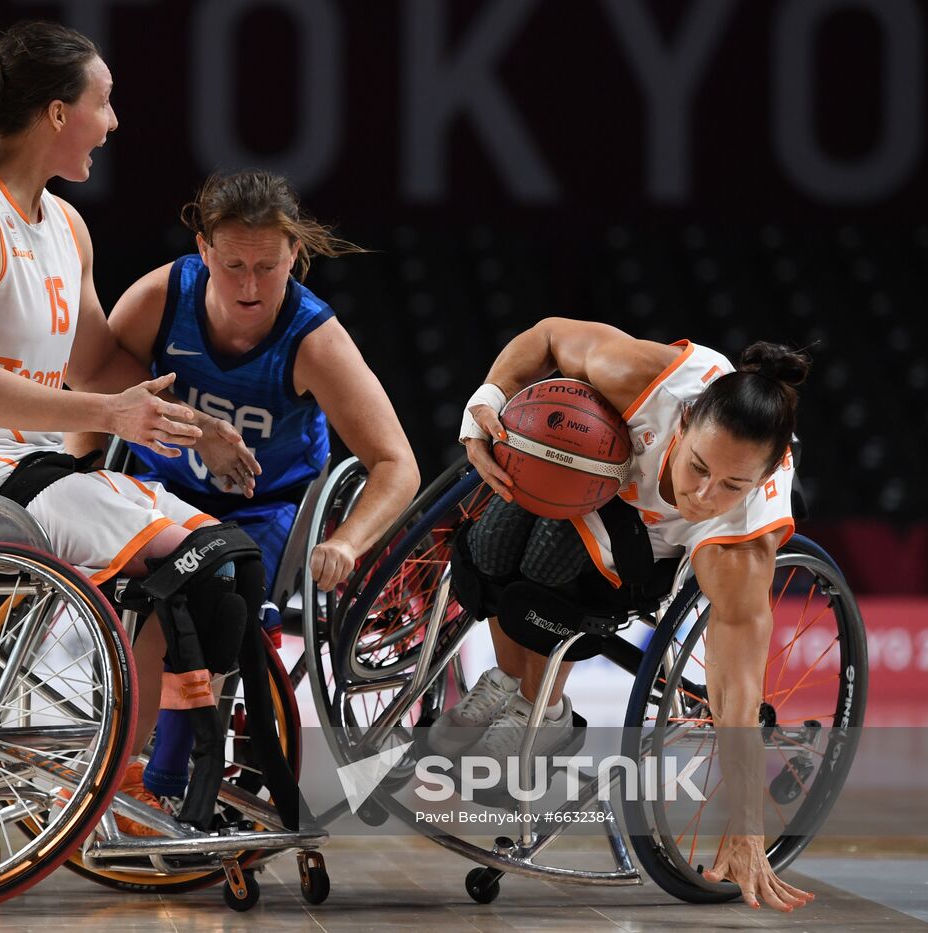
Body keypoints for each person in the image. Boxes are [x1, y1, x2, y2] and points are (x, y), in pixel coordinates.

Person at [0, 22, 285, 836]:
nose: (115, 120)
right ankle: (140, 784)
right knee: (195, 564)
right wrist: (108, 416)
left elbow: (98, 364)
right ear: (58, 114)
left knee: (228, 565)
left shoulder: (65, 225)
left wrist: (197, 428)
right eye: (105, 102)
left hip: (27, 468)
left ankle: (151, 775)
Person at [445, 317, 815, 912]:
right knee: (487, 550)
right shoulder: (648, 381)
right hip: (599, 478)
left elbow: (738, 686)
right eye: (698, 467)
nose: (704, 494)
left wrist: (746, 826)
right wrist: (485, 402)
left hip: (650, 553)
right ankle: (514, 688)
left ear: (765, 477)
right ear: (687, 420)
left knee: (547, 576)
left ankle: (547, 711)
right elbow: (545, 337)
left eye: (731, 485)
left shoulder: (739, 541)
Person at [88, 169, 419, 799]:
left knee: (198, 591)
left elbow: (396, 463)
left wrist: (347, 543)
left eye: (267, 267)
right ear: (204, 249)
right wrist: (91, 468)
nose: (249, 286)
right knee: (152, 586)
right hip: (159, 485)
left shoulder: (314, 339)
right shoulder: (162, 297)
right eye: (233, 263)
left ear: (295, 254)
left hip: (260, 509)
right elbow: (100, 383)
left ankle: (153, 782)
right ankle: (128, 779)